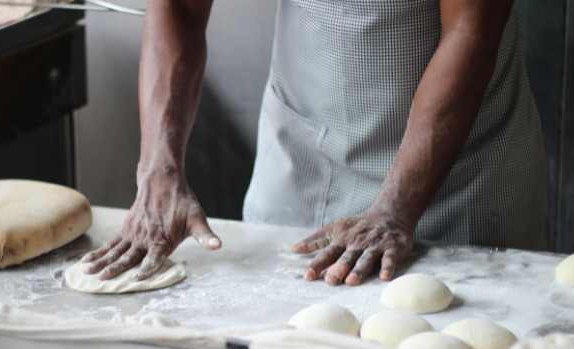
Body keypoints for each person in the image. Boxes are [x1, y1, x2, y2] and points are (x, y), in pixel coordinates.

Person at [81, 0, 547, 286]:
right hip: (302, 157)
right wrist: (158, 170)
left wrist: (395, 208)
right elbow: (179, 6)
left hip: (457, 179)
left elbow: (471, 30)